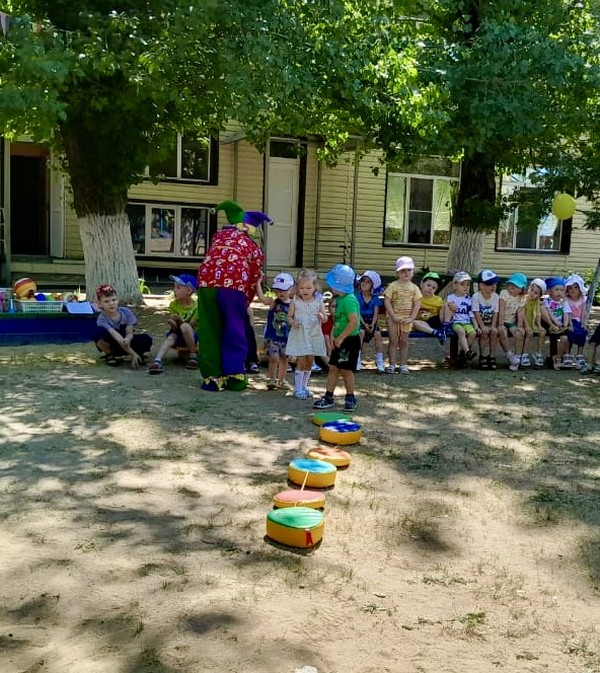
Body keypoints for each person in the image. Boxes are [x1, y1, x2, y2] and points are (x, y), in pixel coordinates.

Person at [196, 200, 267, 392]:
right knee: (234, 329)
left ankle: (212, 378)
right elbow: (254, 275)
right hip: (233, 287)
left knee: (209, 329)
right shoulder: (252, 246)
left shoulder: (218, 237)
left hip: (206, 284)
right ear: (247, 227)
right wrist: (247, 300)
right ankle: (234, 376)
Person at [313, 264, 361, 411]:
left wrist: (341, 337)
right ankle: (328, 396)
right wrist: (333, 334)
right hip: (339, 339)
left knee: (346, 371)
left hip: (349, 341)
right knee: (333, 368)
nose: (331, 287)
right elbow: (338, 320)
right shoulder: (339, 299)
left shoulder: (349, 300)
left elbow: (353, 322)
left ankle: (351, 397)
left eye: (333, 284)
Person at [285, 268, 328, 399]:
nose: (305, 291)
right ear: (297, 288)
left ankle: (304, 386)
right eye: (302, 288)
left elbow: (325, 318)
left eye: (308, 288)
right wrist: (293, 322)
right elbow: (288, 316)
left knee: (310, 361)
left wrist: (322, 316)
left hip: (313, 334)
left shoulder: (318, 300)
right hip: (300, 334)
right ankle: (297, 388)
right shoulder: (295, 300)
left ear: (315, 287)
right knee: (302, 359)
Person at [93, 284, 152, 368]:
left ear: (117, 300)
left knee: (146, 339)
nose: (111, 303)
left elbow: (129, 332)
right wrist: (132, 353)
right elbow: (116, 337)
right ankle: (109, 355)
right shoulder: (102, 319)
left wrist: (128, 339)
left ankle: (139, 354)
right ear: (100, 304)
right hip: (113, 344)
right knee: (97, 332)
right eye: (106, 301)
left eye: (114, 300)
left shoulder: (126, 312)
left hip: (125, 342)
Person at [149, 274, 198, 374]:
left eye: (178, 288)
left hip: (192, 336)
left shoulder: (197, 306)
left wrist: (180, 321)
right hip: (178, 334)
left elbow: (191, 325)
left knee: (185, 326)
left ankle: (193, 356)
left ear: (189, 291)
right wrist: (173, 323)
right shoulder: (173, 305)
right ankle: (157, 361)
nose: (174, 290)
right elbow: (175, 329)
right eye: (174, 287)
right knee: (171, 337)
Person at [383, 256, 422, 374]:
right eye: (403, 270)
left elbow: (417, 304)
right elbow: (387, 301)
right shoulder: (393, 286)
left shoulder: (414, 288)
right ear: (398, 272)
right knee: (393, 340)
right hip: (393, 318)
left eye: (409, 270)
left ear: (413, 272)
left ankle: (403, 364)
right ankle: (392, 364)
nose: (406, 273)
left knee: (404, 341)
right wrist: (393, 316)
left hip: (407, 319)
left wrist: (412, 318)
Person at [262, 272, 294, 390]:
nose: (280, 293)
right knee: (274, 358)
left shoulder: (293, 305)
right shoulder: (274, 302)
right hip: (272, 336)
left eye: (283, 290)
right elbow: (263, 299)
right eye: (278, 290)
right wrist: (258, 284)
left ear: (291, 289)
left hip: (286, 337)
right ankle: (271, 378)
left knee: (285, 359)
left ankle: (282, 380)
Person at [443, 271, 477, 364]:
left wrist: (476, 325)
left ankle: (463, 353)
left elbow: (471, 314)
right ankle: (467, 352)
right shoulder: (451, 298)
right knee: (461, 331)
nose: (465, 287)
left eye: (468, 285)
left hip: (467, 322)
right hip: (456, 322)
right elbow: (448, 311)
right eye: (462, 284)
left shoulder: (469, 299)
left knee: (473, 333)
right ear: (455, 285)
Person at [355, 270, 385, 372]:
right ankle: (357, 357)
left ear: (372, 286)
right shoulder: (357, 297)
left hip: (372, 320)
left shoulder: (375, 299)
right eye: (363, 281)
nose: (364, 283)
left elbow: (376, 313)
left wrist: (372, 324)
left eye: (368, 282)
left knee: (378, 334)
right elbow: (357, 312)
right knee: (361, 332)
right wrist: (364, 324)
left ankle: (379, 359)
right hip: (361, 320)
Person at [471, 269, 500, 370]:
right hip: (479, 323)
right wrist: (482, 326)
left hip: (490, 323)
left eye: (494, 284)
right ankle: (483, 356)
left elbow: (496, 312)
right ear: (481, 286)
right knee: (484, 333)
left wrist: (493, 326)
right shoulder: (476, 297)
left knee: (494, 332)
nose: (493, 286)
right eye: (489, 284)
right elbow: (476, 313)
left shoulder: (496, 297)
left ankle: (492, 356)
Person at [498, 272, 527, 371]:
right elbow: (501, 309)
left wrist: (519, 326)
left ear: (522, 289)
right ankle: (509, 355)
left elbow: (520, 312)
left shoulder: (522, 298)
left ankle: (517, 357)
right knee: (502, 332)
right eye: (511, 284)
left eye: (516, 286)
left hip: (511, 321)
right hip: (501, 320)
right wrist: (500, 324)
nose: (512, 287)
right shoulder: (504, 293)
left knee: (519, 333)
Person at [517, 278, 547, 369]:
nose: (532, 293)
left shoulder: (536, 302)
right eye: (532, 290)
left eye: (536, 293)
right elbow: (523, 314)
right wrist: (526, 326)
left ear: (539, 295)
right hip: (523, 323)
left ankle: (539, 353)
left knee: (543, 332)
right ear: (529, 288)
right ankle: (524, 354)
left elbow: (538, 314)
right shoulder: (524, 299)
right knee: (529, 333)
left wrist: (539, 325)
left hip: (532, 323)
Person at [542, 276, 571, 370]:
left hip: (560, 324)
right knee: (553, 336)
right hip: (550, 323)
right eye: (556, 290)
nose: (559, 292)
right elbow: (549, 313)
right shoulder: (547, 301)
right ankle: (553, 358)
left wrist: (565, 325)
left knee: (565, 338)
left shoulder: (564, 302)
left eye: (561, 290)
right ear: (550, 291)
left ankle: (560, 357)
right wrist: (555, 322)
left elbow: (566, 313)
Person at [411, 271, 446, 345]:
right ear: (421, 284)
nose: (430, 289)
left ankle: (445, 328)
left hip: (434, 321)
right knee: (413, 323)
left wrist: (450, 307)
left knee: (447, 304)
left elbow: (444, 311)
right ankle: (436, 332)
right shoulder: (415, 297)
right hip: (421, 323)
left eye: (433, 288)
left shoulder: (438, 300)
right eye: (428, 285)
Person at [563, 273, 588, 369]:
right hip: (570, 320)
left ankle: (579, 354)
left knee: (583, 332)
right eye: (570, 288)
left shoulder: (583, 299)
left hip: (579, 320)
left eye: (575, 287)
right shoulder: (567, 300)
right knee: (570, 333)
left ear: (580, 289)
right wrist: (570, 324)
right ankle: (567, 354)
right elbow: (567, 312)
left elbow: (584, 312)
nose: (572, 290)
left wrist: (584, 323)